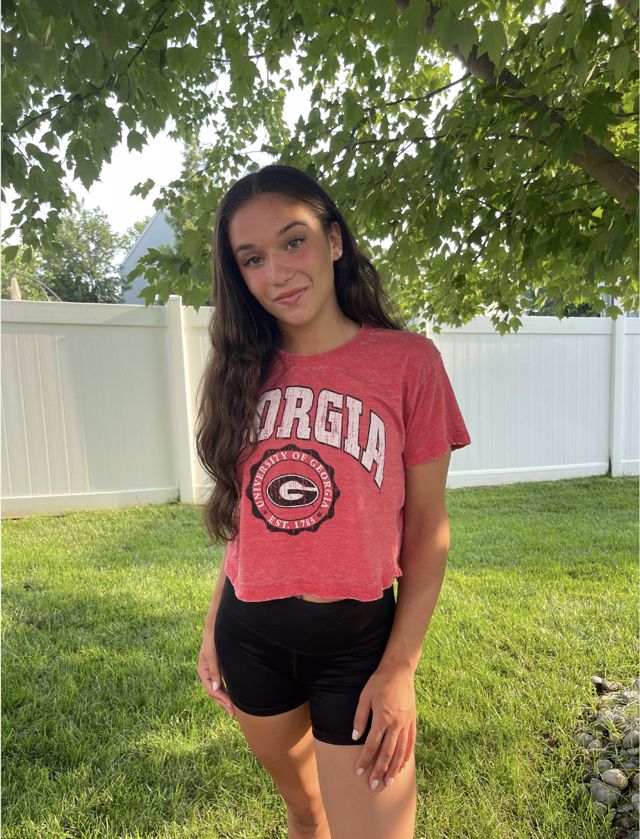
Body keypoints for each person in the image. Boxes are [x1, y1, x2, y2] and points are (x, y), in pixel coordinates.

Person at [195, 164, 471, 839]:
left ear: (335, 240)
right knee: (306, 812)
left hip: (357, 645)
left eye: (294, 241)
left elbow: (428, 527)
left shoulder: (408, 363)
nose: (277, 272)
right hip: (249, 635)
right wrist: (212, 624)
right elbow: (245, 520)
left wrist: (400, 667)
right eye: (252, 258)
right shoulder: (238, 370)